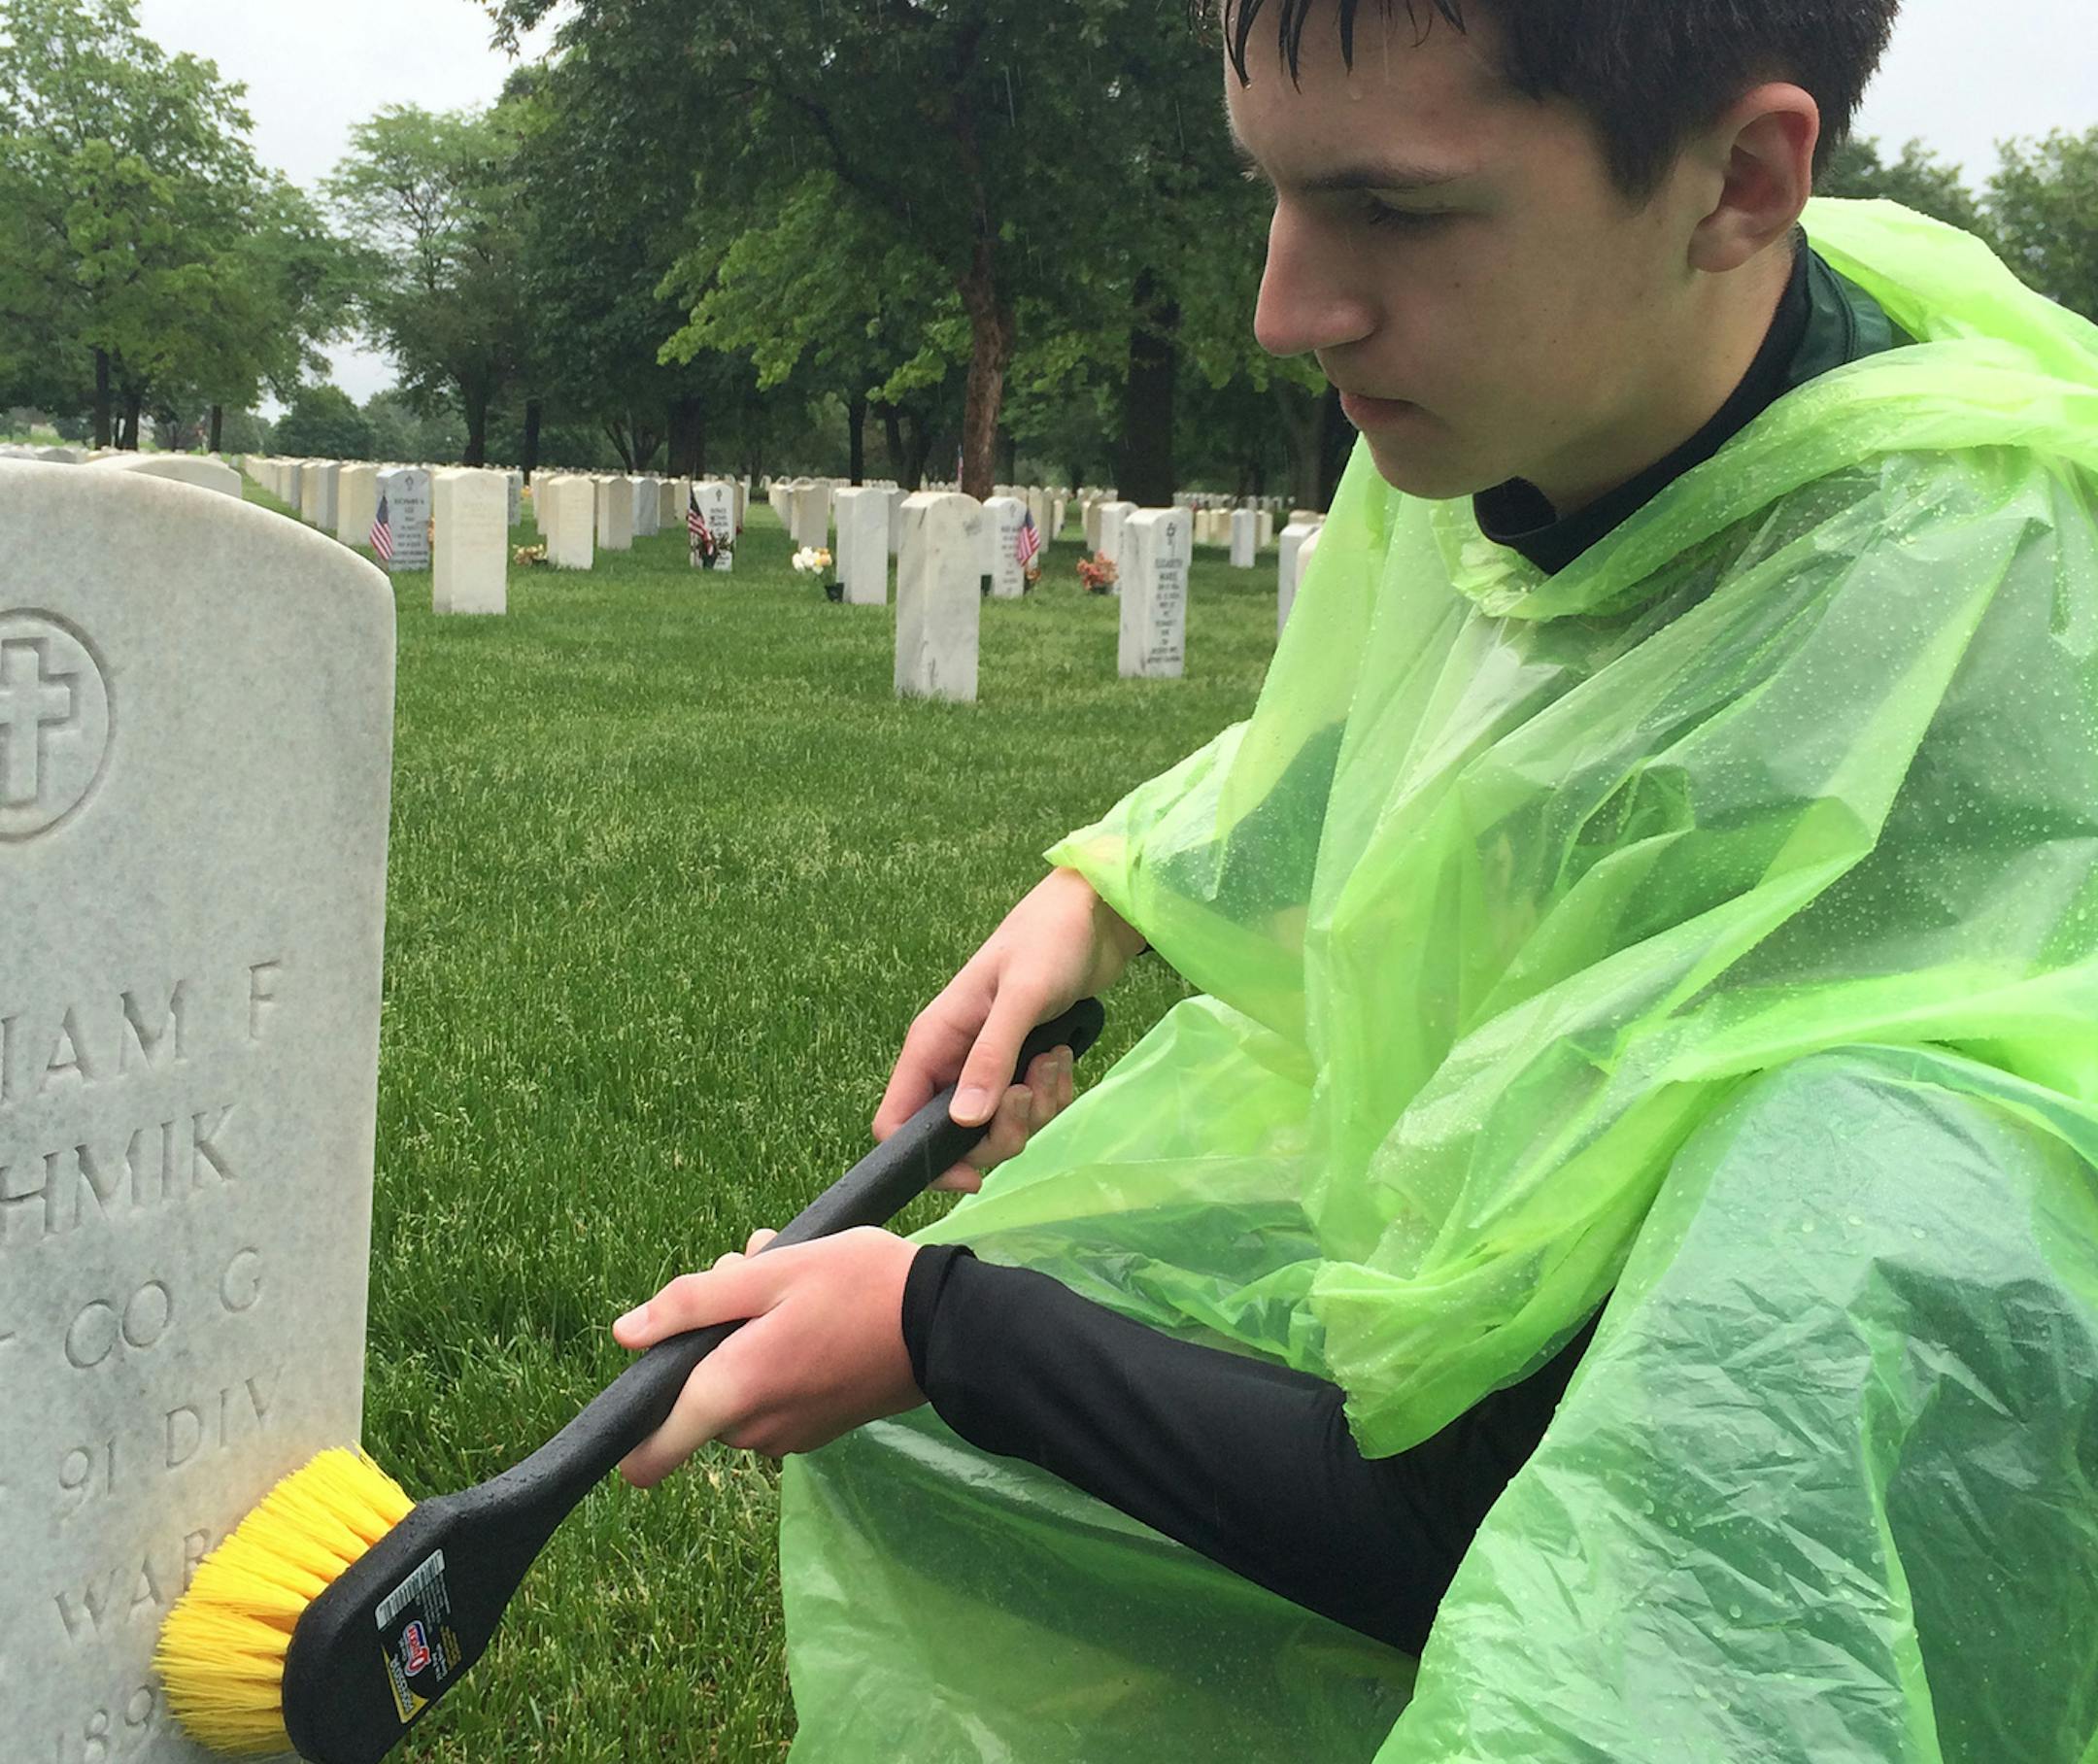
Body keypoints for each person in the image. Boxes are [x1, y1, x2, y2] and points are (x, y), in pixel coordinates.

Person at [614, 2, 2098, 1757]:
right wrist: (1104, 888)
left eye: (1391, 211)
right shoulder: (1565, 365)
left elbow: (1534, 1530)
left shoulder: (1944, 668)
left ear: (1745, 180)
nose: (1285, 308)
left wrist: (948, 1332)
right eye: (1277, 192)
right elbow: (1402, 726)